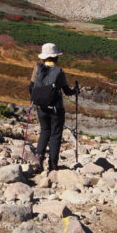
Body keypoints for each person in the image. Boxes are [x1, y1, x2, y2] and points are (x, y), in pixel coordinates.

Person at [28, 42, 78, 172]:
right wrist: (75, 91)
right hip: (56, 108)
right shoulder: (59, 71)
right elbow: (66, 91)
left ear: (43, 57)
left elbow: (31, 87)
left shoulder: (37, 68)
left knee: (45, 131)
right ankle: (53, 164)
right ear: (56, 57)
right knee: (55, 135)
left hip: (40, 107)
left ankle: (38, 157)